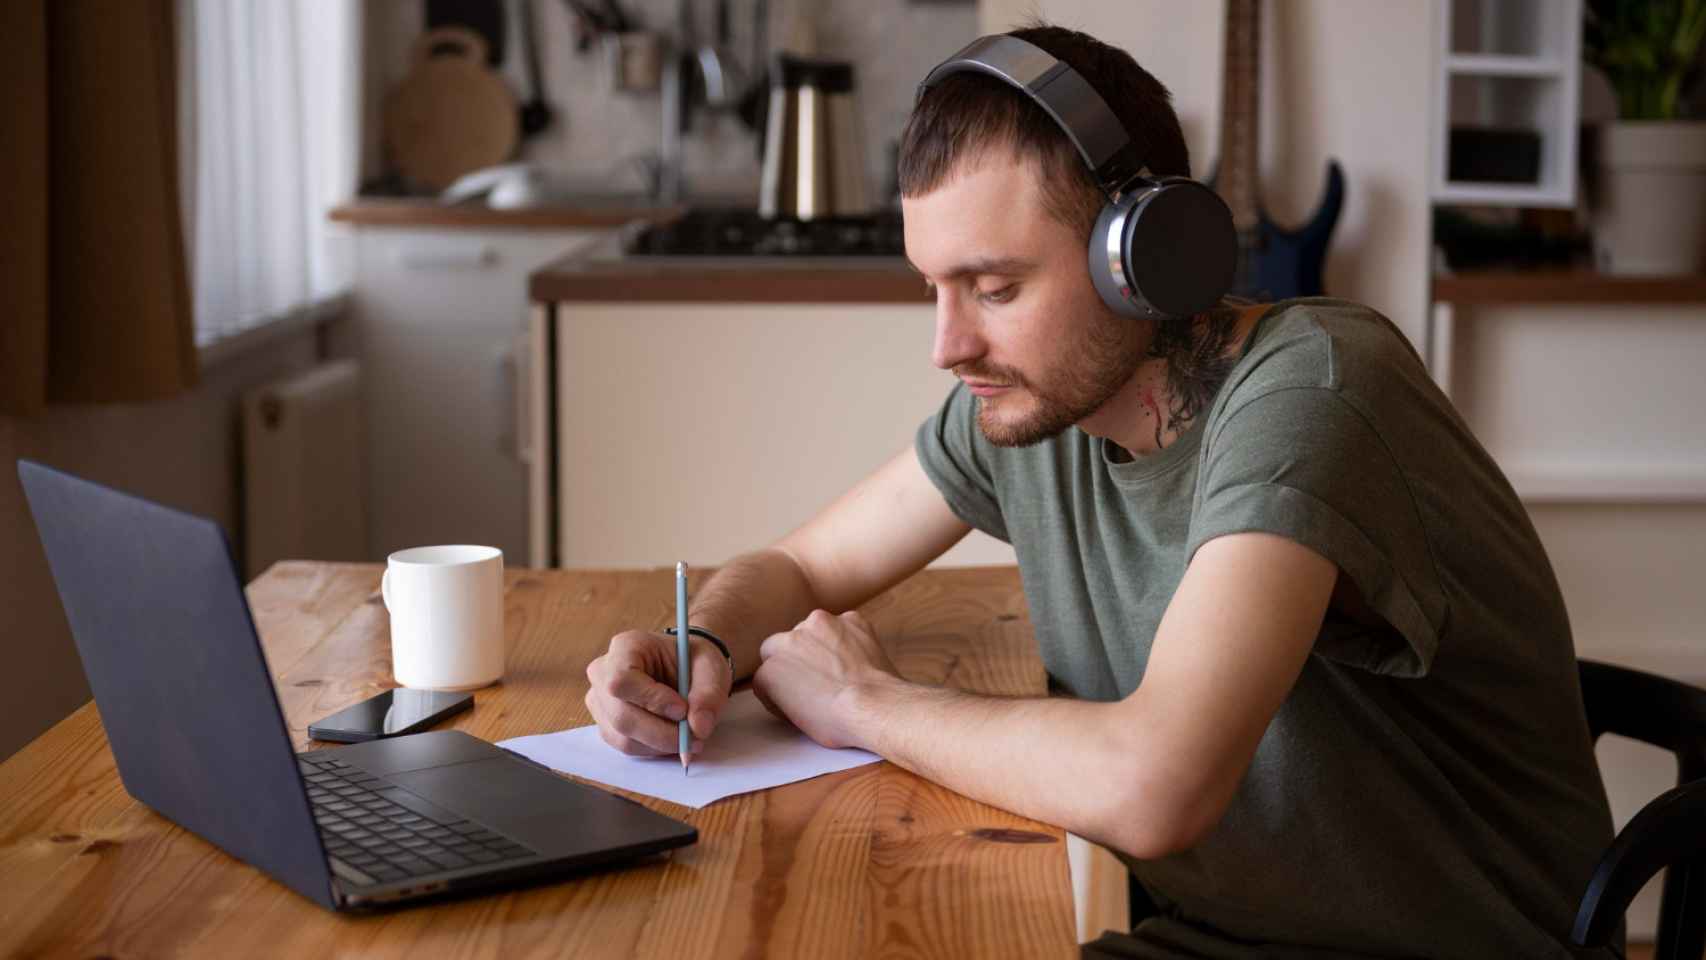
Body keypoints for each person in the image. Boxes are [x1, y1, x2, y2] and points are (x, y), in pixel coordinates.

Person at [583, 23, 1617, 959]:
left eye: (993, 290)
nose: (948, 346)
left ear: (1147, 257)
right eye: (931, 288)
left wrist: (869, 703)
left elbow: (1152, 783)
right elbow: (804, 565)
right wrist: (701, 646)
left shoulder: (1313, 394)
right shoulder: (1029, 405)